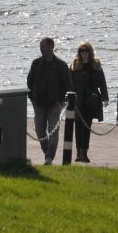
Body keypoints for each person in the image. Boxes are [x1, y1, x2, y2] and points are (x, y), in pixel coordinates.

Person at [27, 37, 72, 165]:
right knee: (40, 131)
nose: (41, 49)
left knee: (53, 131)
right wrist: (32, 98)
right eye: (40, 46)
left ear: (51, 47)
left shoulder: (61, 65)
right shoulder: (36, 63)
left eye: (43, 46)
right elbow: (29, 81)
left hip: (55, 104)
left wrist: (62, 100)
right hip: (38, 104)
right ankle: (47, 152)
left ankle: (49, 158)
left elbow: (68, 84)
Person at [69, 41, 109, 163]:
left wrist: (105, 98)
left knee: (87, 126)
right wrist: (67, 98)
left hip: (90, 101)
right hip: (77, 101)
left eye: (86, 51)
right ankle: (78, 152)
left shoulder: (95, 65)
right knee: (78, 127)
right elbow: (69, 83)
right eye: (81, 51)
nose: (84, 53)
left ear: (90, 52)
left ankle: (84, 152)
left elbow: (102, 82)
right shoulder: (75, 65)